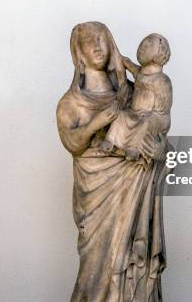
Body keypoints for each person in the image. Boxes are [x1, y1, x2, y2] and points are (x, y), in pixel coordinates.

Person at [56, 22, 169, 302]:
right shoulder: (72, 102)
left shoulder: (132, 94)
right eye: (88, 42)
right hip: (96, 194)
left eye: (101, 39)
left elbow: (158, 134)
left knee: (132, 258)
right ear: (78, 54)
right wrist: (97, 122)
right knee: (96, 263)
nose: (96, 46)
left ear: (111, 44)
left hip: (135, 189)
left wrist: (157, 151)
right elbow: (72, 143)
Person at [100, 33, 172, 164]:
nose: (143, 46)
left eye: (149, 43)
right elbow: (129, 64)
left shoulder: (162, 81)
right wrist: (118, 57)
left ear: (160, 52)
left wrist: (153, 116)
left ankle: (134, 148)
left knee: (145, 123)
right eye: (144, 42)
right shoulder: (140, 73)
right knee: (121, 116)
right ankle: (111, 140)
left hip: (155, 117)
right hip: (135, 113)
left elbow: (163, 109)